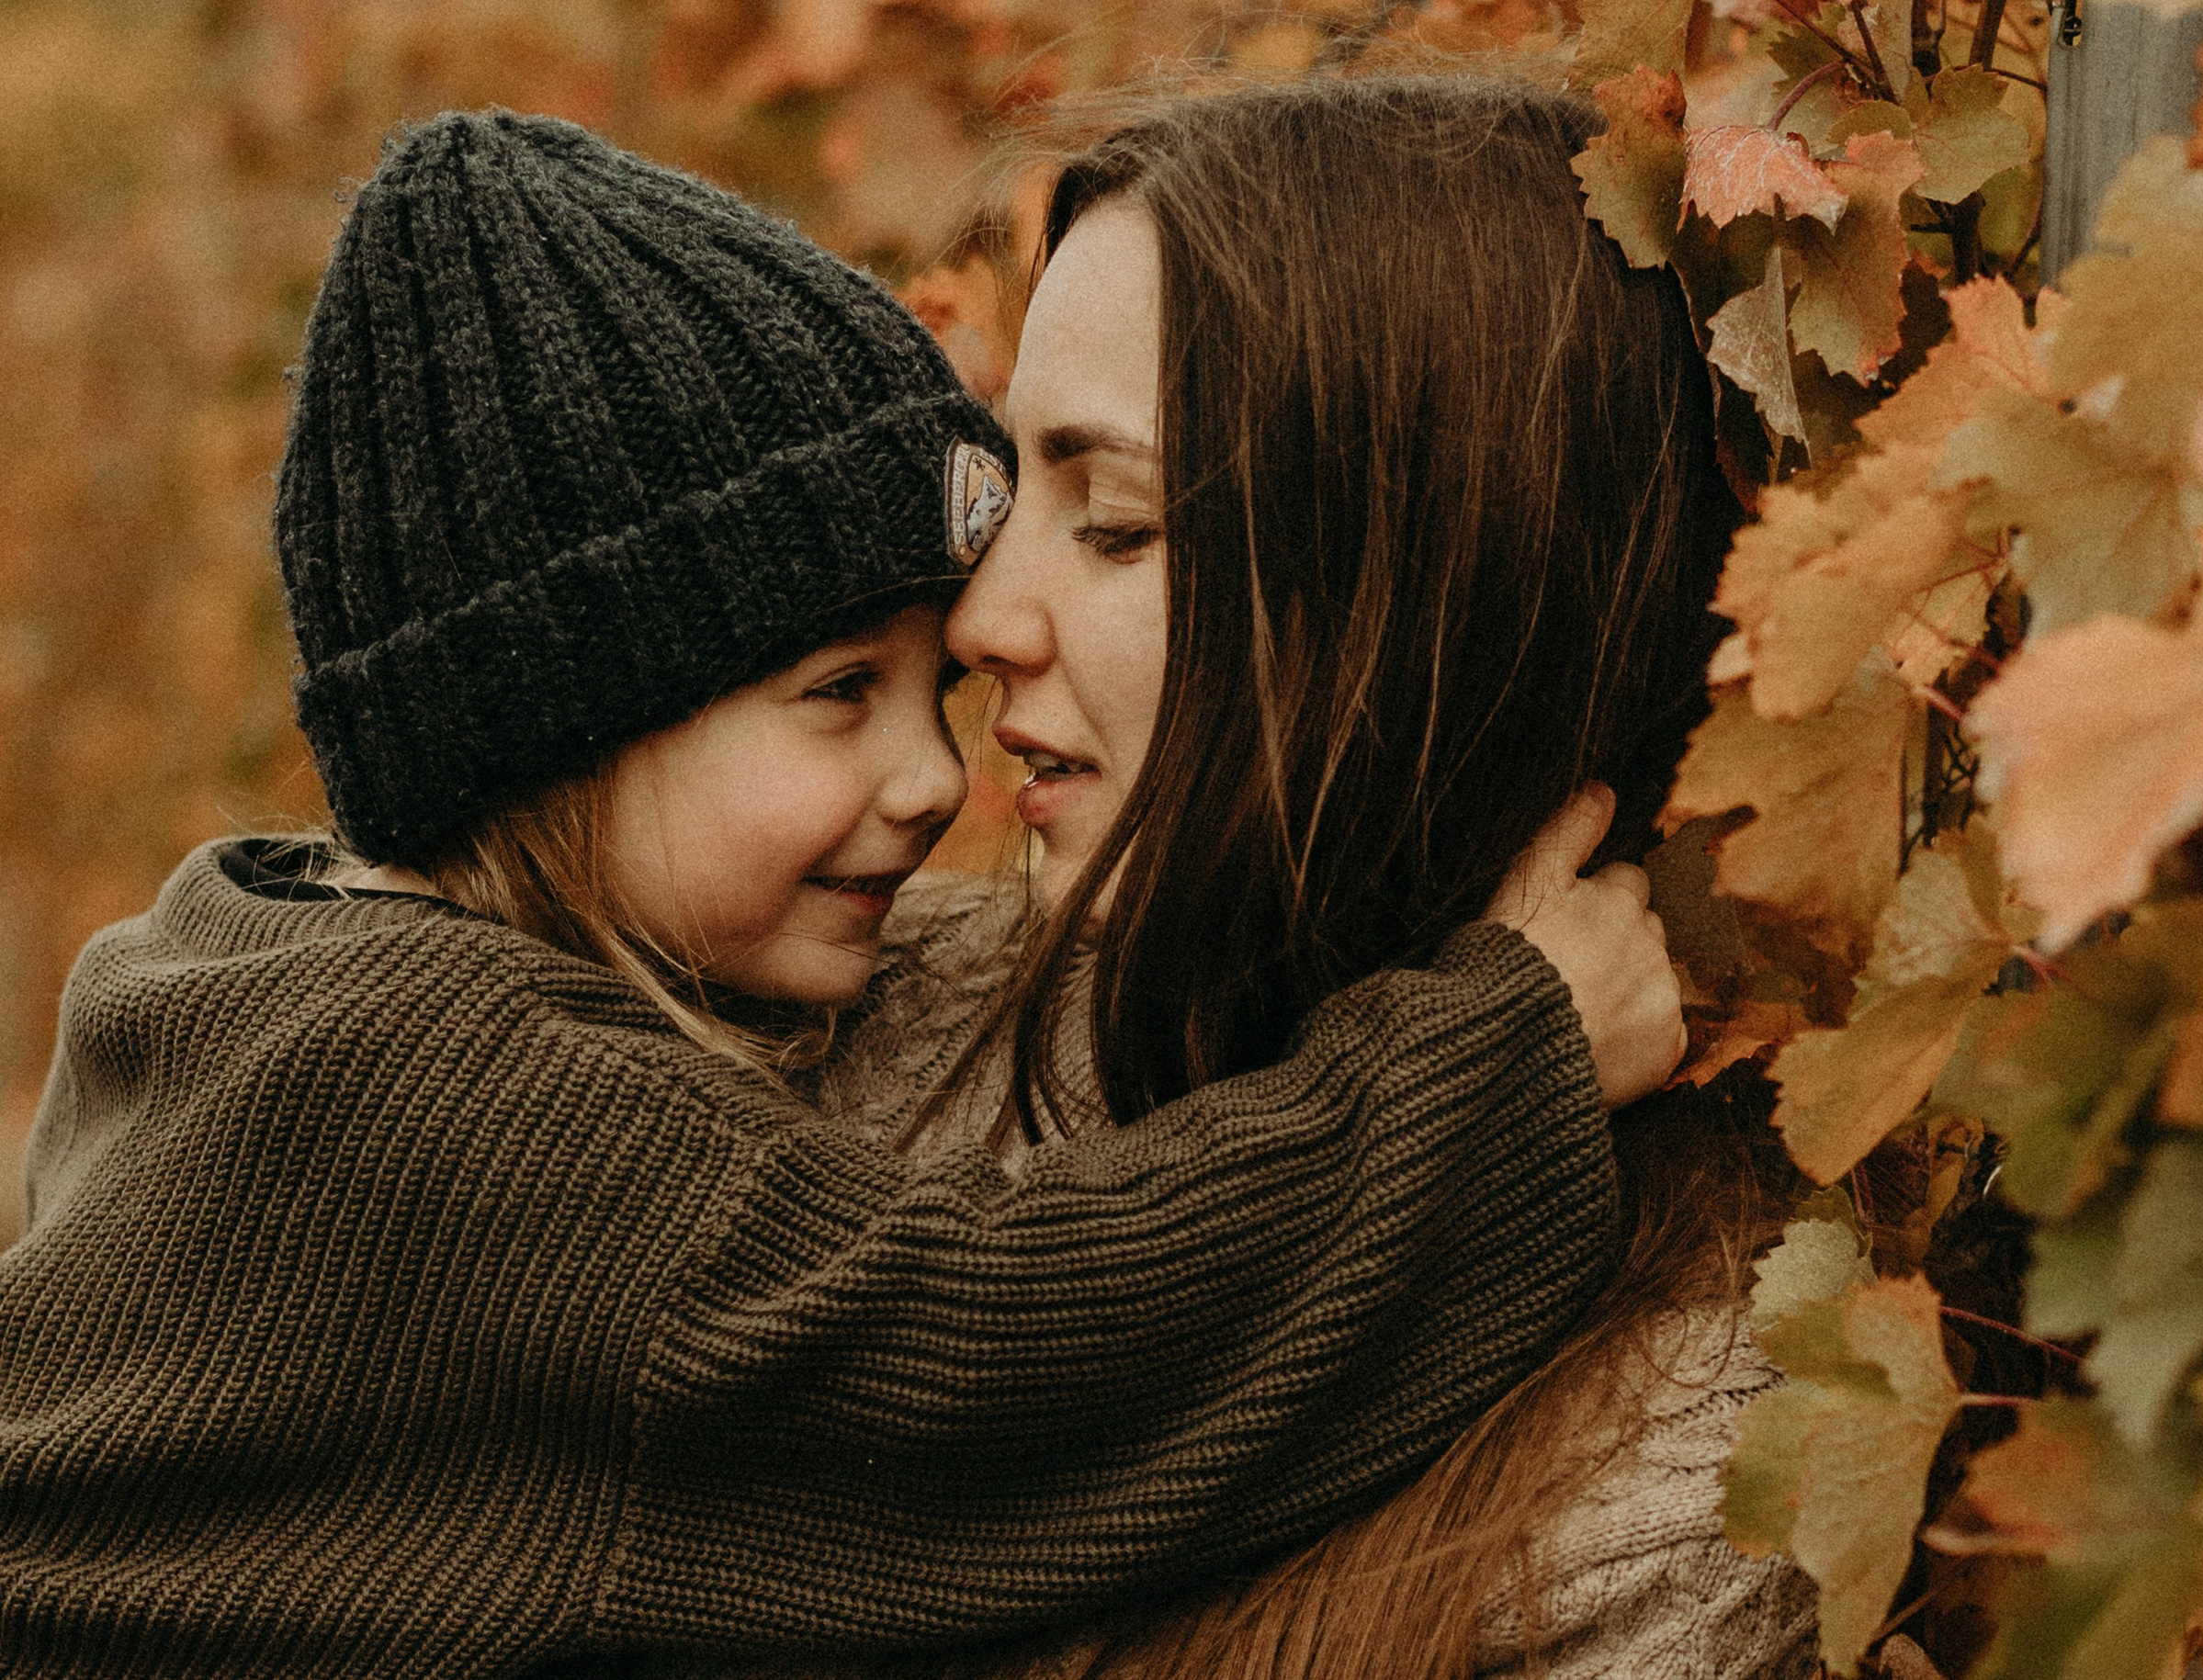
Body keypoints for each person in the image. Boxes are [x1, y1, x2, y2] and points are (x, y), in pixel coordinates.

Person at [0, 110, 1683, 1678]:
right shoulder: (469, 1119)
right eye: (833, 694)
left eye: (926, 692)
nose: (937, 773)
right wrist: (1503, 1058)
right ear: (560, 730)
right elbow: (1011, 1374)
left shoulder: (248, 974)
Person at [817, 74, 1820, 1679]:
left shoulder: (1670, 1468)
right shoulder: (864, 1025)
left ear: (1419, 595)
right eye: (1012, 500)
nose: (981, 618)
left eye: (1120, 522)